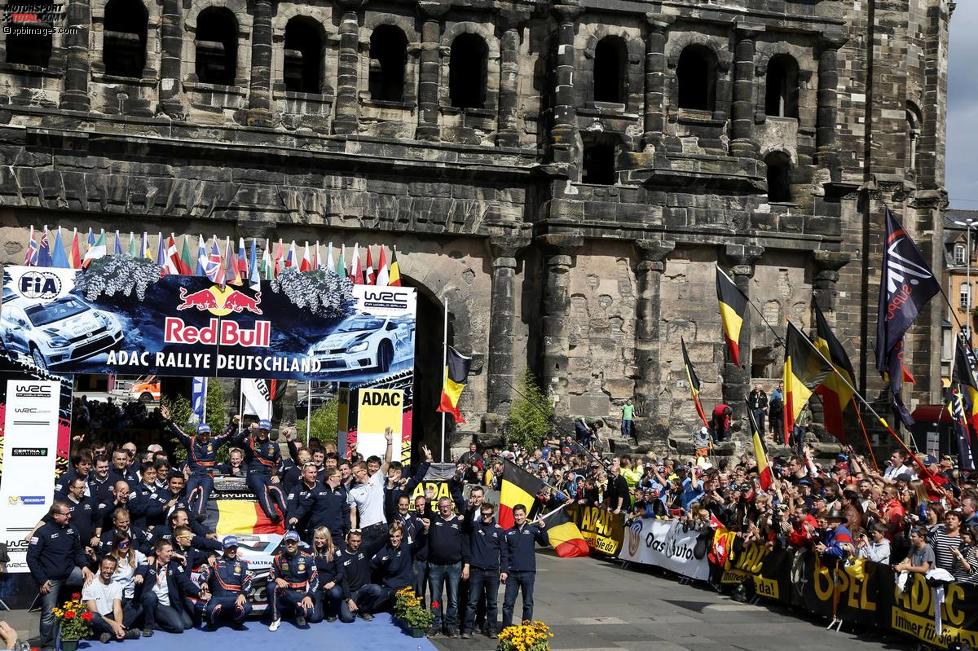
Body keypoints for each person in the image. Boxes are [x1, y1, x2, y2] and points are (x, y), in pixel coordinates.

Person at [27, 500, 95, 648]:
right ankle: (48, 645)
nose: (70, 516)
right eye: (66, 514)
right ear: (55, 515)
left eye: (69, 513)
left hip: (70, 572)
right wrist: (42, 580)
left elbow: (78, 551)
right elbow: (31, 558)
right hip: (50, 578)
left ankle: (94, 626)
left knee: (94, 582)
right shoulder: (42, 532)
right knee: (49, 613)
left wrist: (84, 567)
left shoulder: (72, 529)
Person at [162, 404, 231, 521]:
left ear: (210, 433)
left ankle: (198, 516)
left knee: (204, 492)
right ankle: (182, 517)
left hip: (207, 475)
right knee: (189, 495)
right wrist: (169, 420)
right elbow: (178, 432)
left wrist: (234, 424)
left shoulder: (214, 442)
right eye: (202, 434)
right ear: (198, 434)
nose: (204, 437)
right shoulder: (191, 441)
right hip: (193, 475)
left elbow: (227, 435)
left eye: (207, 434)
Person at [136, 539, 206, 635]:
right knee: (178, 627)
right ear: (158, 552)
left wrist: (199, 592)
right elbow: (141, 571)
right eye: (168, 551)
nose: (171, 554)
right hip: (152, 603)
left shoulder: (174, 566)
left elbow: (185, 582)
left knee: (187, 624)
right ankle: (149, 625)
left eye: (171, 551)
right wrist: (139, 575)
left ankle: (158, 620)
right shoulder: (149, 563)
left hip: (168, 603)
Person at [423, 497, 470, 637]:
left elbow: (465, 545)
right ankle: (436, 624)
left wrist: (466, 565)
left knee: (453, 599)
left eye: (447, 506)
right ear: (439, 507)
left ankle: (450, 625)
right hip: (435, 567)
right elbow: (426, 511)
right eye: (442, 506)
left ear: (451, 506)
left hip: (454, 567)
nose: (445, 508)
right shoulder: (434, 519)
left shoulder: (459, 522)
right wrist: (427, 500)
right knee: (435, 599)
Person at [230, 417, 288, 523]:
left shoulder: (274, 445)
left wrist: (278, 475)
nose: (262, 433)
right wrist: (248, 429)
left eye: (265, 431)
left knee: (278, 490)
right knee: (263, 490)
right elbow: (235, 441)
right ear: (257, 430)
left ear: (268, 432)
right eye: (261, 430)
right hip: (254, 474)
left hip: (268, 474)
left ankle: (288, 514)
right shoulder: (249, 441)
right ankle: (272, 514)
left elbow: (280, 463)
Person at [347, 427, 393, 557]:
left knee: (384, 561)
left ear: (363, 471)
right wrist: (353, 531)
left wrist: (389, 442)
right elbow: (353, 515)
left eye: (355, 473)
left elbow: (388, 461)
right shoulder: (353, 492)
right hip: (366, 531)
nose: (354, 476)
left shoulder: (377, 479)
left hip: (382, 527)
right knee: (366, 562)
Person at [501, 504, 548, 629]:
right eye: (516, 515)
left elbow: (544, 543)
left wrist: (543, 527)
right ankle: (506, 629)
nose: (519, 517)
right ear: (513, 516)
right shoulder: (509, 532)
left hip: (528, 572)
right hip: (512, 574)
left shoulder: (532, 530)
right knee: (508, 604)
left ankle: (525, 629)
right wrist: (504, 570)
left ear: (525, 515)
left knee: (527, 603)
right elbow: (504, 554)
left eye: (521, 515)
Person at [464, 502, 507, 639]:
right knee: (472, 602)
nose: (485, 517)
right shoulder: (475, 526)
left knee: (492, 603)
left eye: (488, 515)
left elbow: (504, 553)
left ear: (493, 514)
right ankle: (467, 629)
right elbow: (467, 521)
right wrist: (470, 509)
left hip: (492, 572)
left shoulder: (499, 530)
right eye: (483, 514)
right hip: (476, 571)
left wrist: (504, 570)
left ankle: (492, 628)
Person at [83, 555, 142, 642]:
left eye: (111, 568)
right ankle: (125, 634)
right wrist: (113, 624)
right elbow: (93, 611)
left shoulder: (117, 585)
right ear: (100, 567)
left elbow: (117, 608)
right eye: (106, 568)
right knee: (93, 616)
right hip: (98, 619)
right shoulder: (90, 584)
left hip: (110, 616)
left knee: (138, 607)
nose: (108, 571)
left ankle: (108, 634)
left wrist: (118, 624)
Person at [267, 531, 317, 631]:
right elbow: (270, 577)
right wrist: (277, 578)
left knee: (310, 612)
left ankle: (299, 613)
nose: (290, 544)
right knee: (271, 586)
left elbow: (315, 580)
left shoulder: (307, 558)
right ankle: (275, 618)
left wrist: (309, 596)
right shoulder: (278, 558)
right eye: (287, 542)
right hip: (285, 593)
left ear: (298, 543)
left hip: (301, 594)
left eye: (293, 542)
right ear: (284, 543)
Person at [202, 536, 252, 630]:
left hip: (235, 598)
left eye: (234, 548)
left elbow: (248, 581)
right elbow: (204, 574)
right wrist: (203, 582)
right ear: (223, 548)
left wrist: (243, 594)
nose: (232, 551)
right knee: (209, 612)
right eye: (229, 548)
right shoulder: (215, 562)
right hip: (218, 598)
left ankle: (237, 620)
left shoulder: (243, 564)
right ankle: (214, 619)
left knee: (248, 607)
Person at [335, 530, 384, 623]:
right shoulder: (341, 556)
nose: (356, 544)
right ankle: (345, 607)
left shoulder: (365, 550)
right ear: (347, 540)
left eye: (358, 541)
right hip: (349, 592)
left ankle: (363, 610)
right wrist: (349, 599)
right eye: (353, 541)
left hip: (363, 589)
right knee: (348, 618)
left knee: (376, 589)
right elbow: (343, 580)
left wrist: (389, 533)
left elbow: (378, 544)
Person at [310, 527, 345, 623]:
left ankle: (332, 612)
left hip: (331, 587)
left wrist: (333, 583)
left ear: (327, 538)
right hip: (316, 588)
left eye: (322, 538)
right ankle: (323, 606)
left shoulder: (335, 550)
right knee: (314, 619)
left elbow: (341, 572)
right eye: (317, 538)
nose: (319, 541)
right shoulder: (311, 550)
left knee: (336, 593)